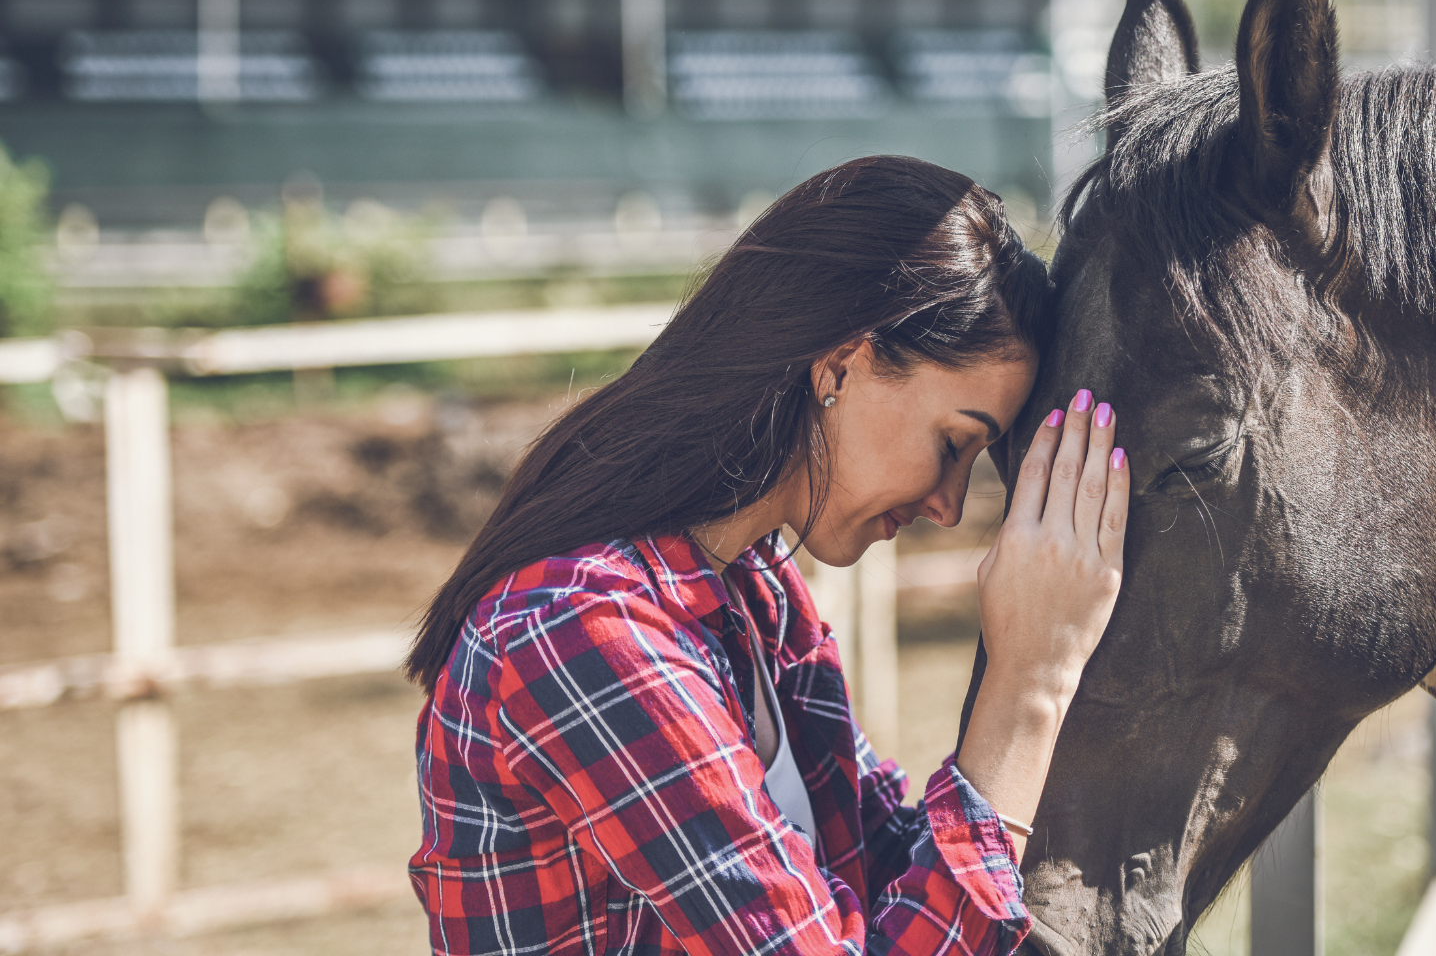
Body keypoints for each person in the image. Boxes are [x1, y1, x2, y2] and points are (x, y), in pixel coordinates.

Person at [404, 155, 1130, 956]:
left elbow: (891, 869)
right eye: (954, 444)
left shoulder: (758, 601)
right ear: (841, 367)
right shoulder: (584, 632)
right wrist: (1029, 683)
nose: (949, 507)